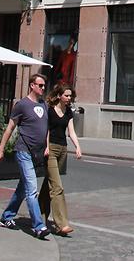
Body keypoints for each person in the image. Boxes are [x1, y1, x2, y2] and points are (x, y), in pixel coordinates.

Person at [0, 72, 50, 239]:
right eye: (40, 85)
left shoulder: (44, 105)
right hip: (23, 151)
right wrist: (0, 149)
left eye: (44, 85)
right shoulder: (22, 105)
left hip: (37, 154)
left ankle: (7, 217)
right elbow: (10, 128)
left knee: (22, 189)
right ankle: (38, 226)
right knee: (32, 190)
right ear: (32, 85)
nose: (43, 88)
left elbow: (46, 128)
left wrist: (47, 145)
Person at [38, 82, 82, 236]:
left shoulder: (68, 112)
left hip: (62, 150)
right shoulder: (50, 111)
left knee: (48, 185)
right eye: (66, 95)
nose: (69, 98)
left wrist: (77, 147)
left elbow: (71, 131)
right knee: (57, 187)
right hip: (51, 149)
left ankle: (38, 215)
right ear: (59, 96)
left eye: (70, 96)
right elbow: (47, 129)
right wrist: (47, 146)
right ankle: (61, 224)